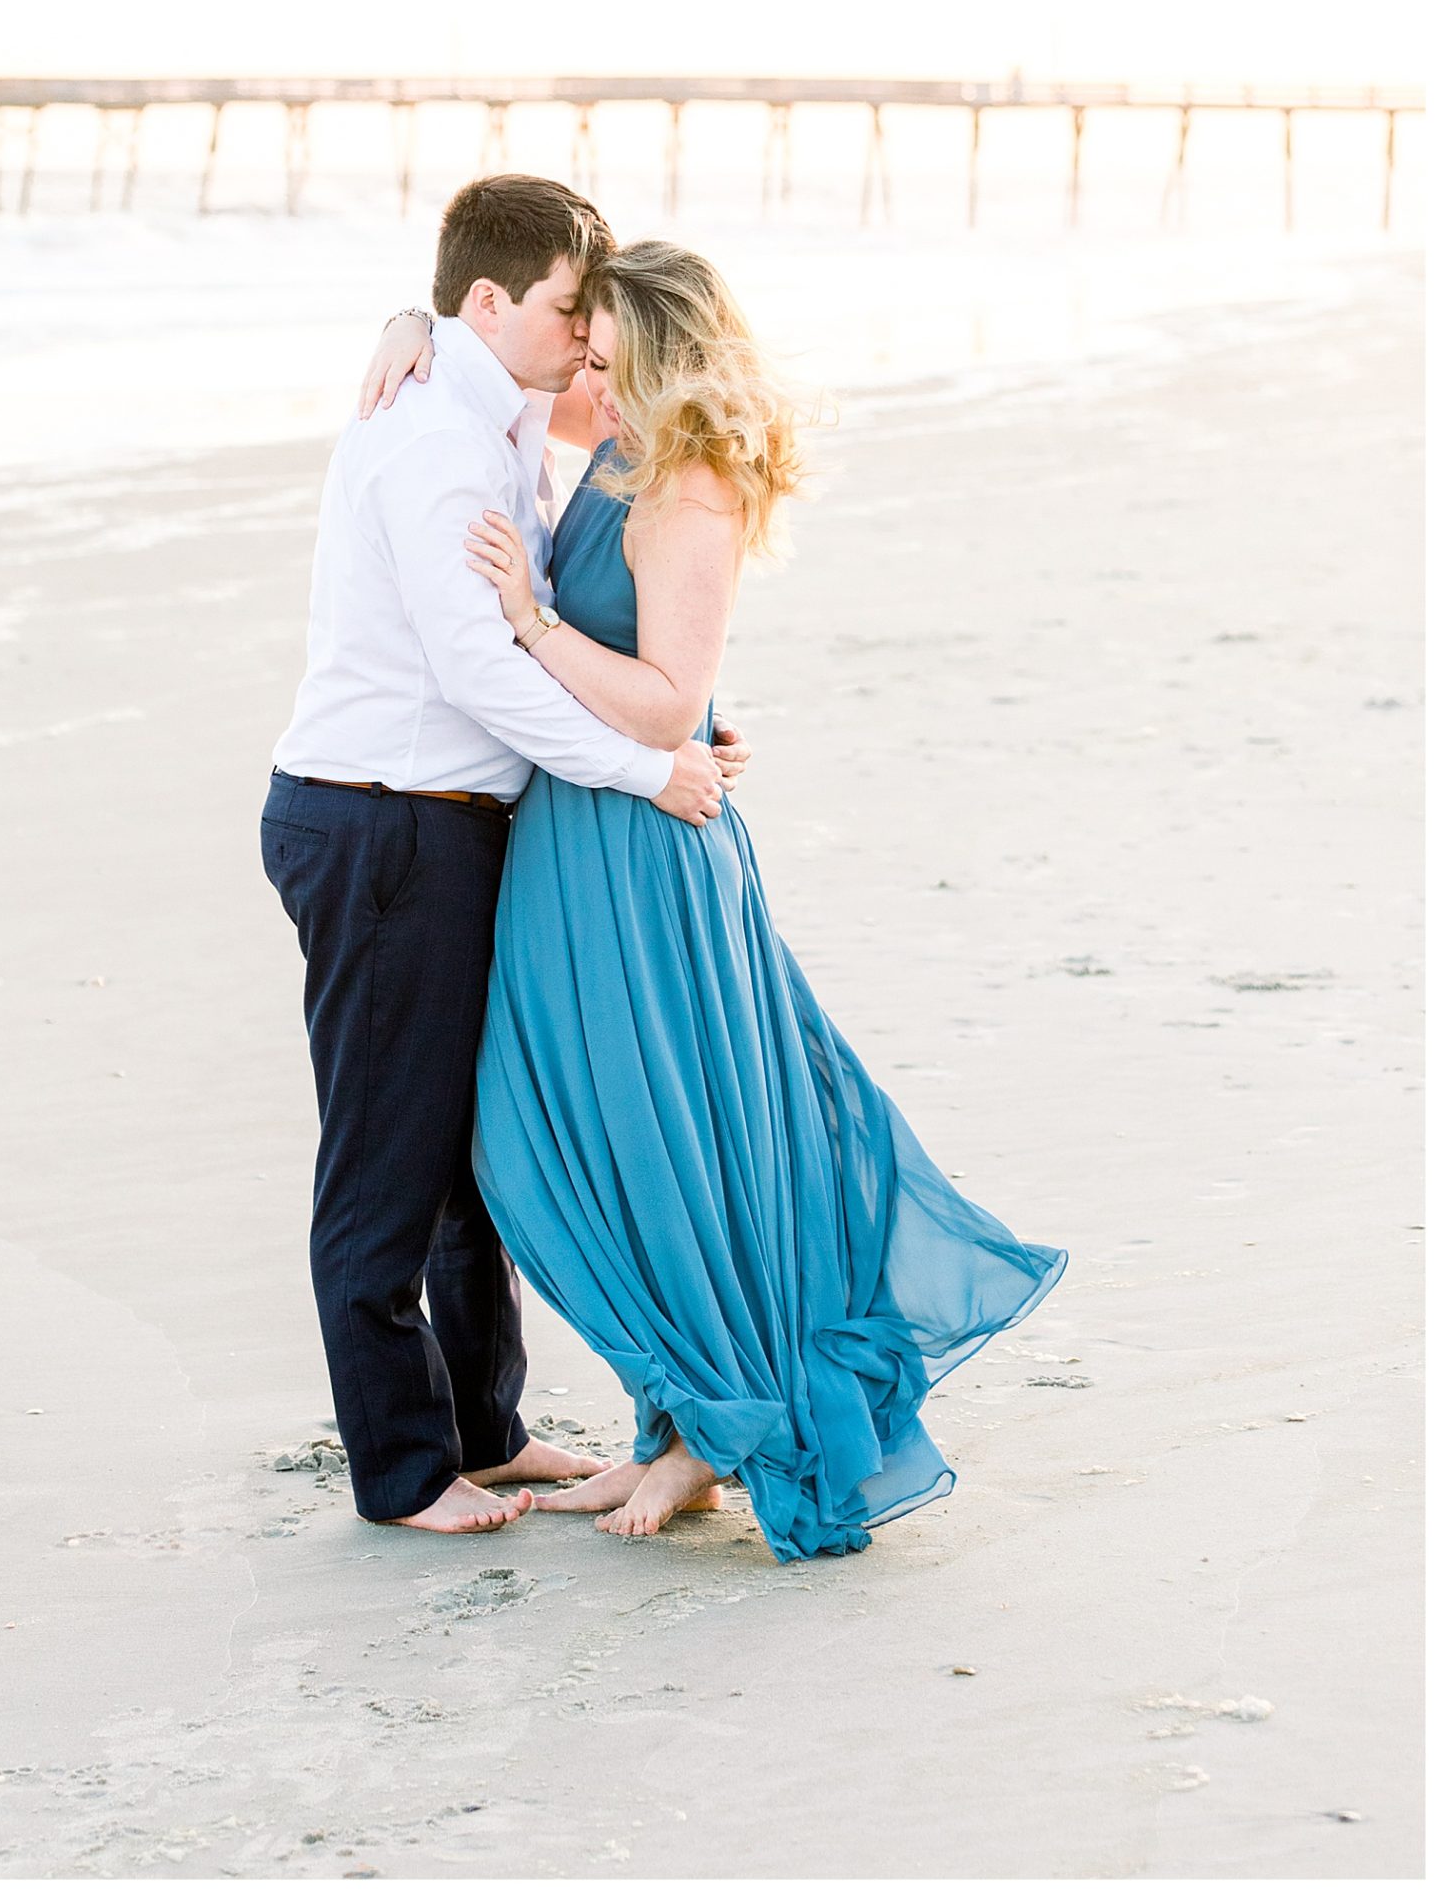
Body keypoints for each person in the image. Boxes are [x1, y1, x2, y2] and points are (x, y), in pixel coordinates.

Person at [363, 239, 1068, 1561]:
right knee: (579, 1136)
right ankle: (676, 1420)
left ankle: (710, 1432)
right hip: (574, 837)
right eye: (582, 346)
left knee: (665, 1137)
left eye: (606, 351)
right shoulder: (623, 436)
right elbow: (496, 371)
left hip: (640, 849)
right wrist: (412, 323)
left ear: (658, 350)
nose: (583, 371)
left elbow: (665, 702)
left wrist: (528, 619)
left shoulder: (687, 476)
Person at [261, 175, 753, 1536]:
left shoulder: (503, 403)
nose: (584, 331)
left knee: (465, 1153)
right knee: (387, 1158)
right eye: (563, 305)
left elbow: (636, 576)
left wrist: (686, 722)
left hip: (454, 821)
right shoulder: (430, 440)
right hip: (382, 818)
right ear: (490, 305)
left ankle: (484, 1426)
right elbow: (483, 668)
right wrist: (652, 765)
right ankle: (404, 1470)